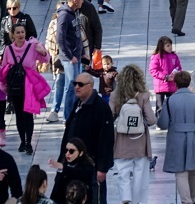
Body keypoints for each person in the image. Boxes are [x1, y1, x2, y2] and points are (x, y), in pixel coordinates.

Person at [157, 71, 195, 204]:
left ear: (175, 83)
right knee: (194, 171)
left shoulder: (170, 100)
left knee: (181, 173)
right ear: (189, 82)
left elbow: (163, 124)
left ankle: (186, 201)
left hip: (176, 139)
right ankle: (193, 198)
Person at [61, 73, 114, 204]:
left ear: (90, 86)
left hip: (92, 166)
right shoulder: (78, 104)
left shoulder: (101, 108)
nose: (76, 87)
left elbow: (106, 140)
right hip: (74, 164)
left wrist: (102, 167)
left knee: (95, 198)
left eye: (80, 84)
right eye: (75, 84)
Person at [0, 24, 50, 154]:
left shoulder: (32, 46)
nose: (21, 34)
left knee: (28, 114)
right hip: (15, 86)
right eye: (18, 32)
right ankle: (22, 141)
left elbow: (46, 59)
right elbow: (4, 67)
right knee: (19, 114)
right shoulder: (8, 49)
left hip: (29, 85)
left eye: (22, 32)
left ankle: (29, 142)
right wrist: (3, 85)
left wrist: (42, 50)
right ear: (13, 35)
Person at [110, 64, 156, 204]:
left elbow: (109, 116)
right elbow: (152, 120)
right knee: (140, 176)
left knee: (123, 173)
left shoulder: (115, 95)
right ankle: (138, 201)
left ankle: (126, 198)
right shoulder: (143, 96)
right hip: (140, 142)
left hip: (122, 142)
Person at [56, 0, 87, 121]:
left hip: (77, 55)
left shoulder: (75, 13)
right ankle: (67, 117)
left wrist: (83, 52)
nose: (83, 0)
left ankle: (73, 113)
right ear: (75, 0)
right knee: (71, 86)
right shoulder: (64, 15)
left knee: (75, 85)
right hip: (70, 58)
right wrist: (69, 56)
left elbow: (78, 34)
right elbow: (60, 38)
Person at [49, 137, 98, 204]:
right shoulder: (64, 164)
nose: (67, 154)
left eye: (71, 151)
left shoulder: (87, 167)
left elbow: (79, 173)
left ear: (80, 153)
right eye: (66, 150)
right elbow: (56, 189)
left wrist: (64, 168)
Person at [150, 35, 183, 111]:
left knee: (171, 106)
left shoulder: (174, 56)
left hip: (172, 85)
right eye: (168, 46)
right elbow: (153, 70)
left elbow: (179, 67)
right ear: (162, 47)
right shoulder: (156, 57)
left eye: (171, 45)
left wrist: (176, 73)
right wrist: (165, 77)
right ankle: (159, 120)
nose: (170, 47)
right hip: (160, 86)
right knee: (160, 107)